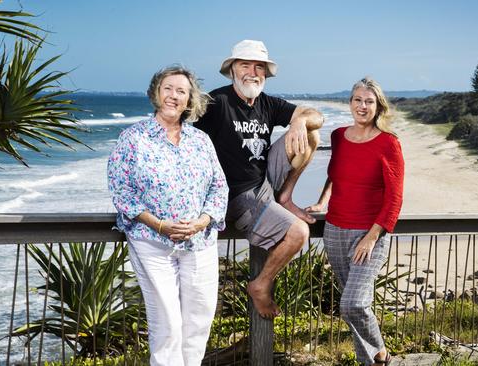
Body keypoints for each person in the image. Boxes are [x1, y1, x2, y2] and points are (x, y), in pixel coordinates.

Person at [107, 65, 228, 365]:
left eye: (181, 91)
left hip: (200, 243)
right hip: (152, 244)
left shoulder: (200, 141)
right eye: (168, 88)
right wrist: (160, 225)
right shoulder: (133, 138)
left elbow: (219, 187)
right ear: (156, 94)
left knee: (198, 324)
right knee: (168, 327)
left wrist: (201, 222)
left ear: (190, 101)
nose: (174, 96)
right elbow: (121, 191)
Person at [194, 39, 323, 318]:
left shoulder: (267, 103)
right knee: (298, 232)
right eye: (245, 65)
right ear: (232, 71)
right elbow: (182, 132)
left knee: (312, 133)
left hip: (266, 181)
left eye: (259, 67)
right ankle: (260, 284)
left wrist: (299, 120)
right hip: (238, 196)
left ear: (265, 73)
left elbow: (317, 116)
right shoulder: (217, 102)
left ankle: (285, 197)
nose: (252, 72)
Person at [306, 77, 404, 366]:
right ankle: (370, 362)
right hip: (334, 231)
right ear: (350, 104)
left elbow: (394, 198)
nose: (363, 106)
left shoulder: (389, 143)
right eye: (358, 100)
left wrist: (372, 237)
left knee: (354, 304)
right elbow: (336, 175)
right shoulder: (338, 136)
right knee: (352, 308)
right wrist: (322, 202)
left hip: (368, 235)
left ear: (378, 107)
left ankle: (382, 354)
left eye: (369, 101)